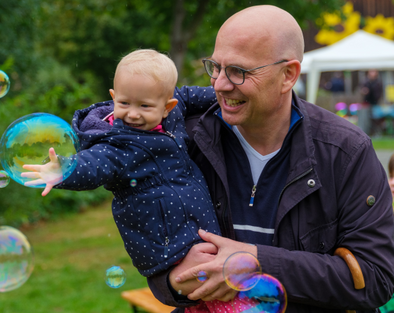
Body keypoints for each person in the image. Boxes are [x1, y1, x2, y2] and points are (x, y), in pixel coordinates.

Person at [147, 5, 394, 313]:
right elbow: (157, 257)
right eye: (216, 66)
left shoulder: (346, 151)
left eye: (239, 71)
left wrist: (256, 262)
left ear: (288, 75)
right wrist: (173, 282)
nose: (220, 84)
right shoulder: (184, 142)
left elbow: (376, 279)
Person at [21, 49, 256, 311]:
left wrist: (223, 95)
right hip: (165, 240)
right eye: (124, 103)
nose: (132, 114)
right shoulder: (118, 144)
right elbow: (94, 164)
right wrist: (63, 171)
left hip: (191, 225)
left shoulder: (173, 113)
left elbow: (188, 95)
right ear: (113, 98)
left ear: (168, 106)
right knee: (214, 291)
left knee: (215, 290)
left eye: (144, 106)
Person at [360, 69, 383, 135]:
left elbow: (378, 94)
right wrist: (364, 91)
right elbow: (361, 90)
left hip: (375, 104)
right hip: (366, 104)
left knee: (375, 119)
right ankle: (365, 132)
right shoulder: (365, 81)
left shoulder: (378, 82)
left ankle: (375, 132)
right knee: (365, 119)